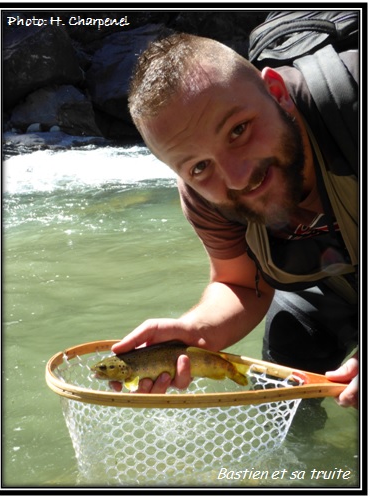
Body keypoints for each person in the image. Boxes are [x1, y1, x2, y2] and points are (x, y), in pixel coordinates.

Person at [111, 32, 359, 408]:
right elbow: (241, 284)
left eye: (238, 130)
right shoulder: (203, 193)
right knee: (277, 385)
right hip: (332, 283)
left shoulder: (355, 109)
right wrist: (197, 330)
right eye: (198, 166)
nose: (238, 177)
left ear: (276, 91)